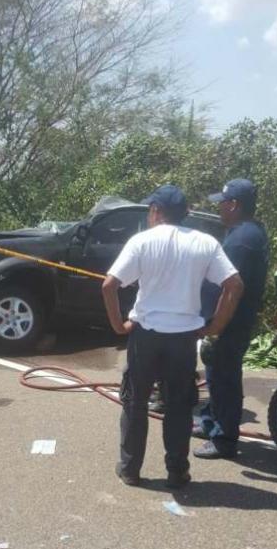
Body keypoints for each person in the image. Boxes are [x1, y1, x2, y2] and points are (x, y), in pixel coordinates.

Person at [101, 185, 243, 489]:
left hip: (145, 337)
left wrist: (118, 326)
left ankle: (130, 469)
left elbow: (109, 285)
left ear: (154, 212)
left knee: (135, 402)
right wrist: (215, 326)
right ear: (185, 213)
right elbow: (234, 285)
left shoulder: (141, 241)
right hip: (183, 340)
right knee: (179, 407)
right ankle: (177, 472)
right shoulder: (205, 243)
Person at [194, 179, 269, 459]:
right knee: (215, 375)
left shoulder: (242, 240)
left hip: (230, 323)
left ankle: (224, 439)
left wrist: (215, 327)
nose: (220, 209)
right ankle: (210, 422)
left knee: (225, 378)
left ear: (234, 205)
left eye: (223, 203)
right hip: (230, 321)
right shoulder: (246, 232)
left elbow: (230, 288)